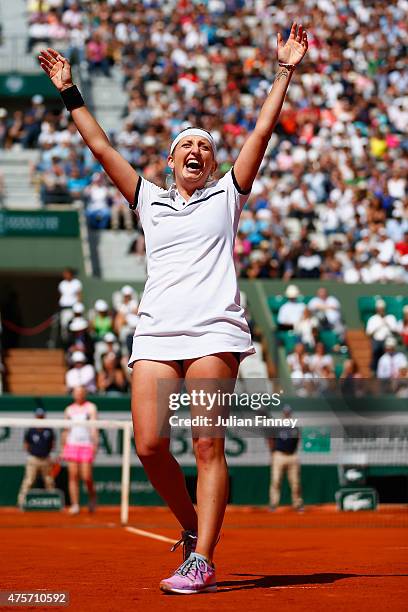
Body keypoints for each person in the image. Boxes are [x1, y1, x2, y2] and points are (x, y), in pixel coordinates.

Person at [39, 23, 308, 594]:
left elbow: (261, 129)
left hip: (215, 331)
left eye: (205, 146)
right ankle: (191, 530)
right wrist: (69, 90)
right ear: (170, 160)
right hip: (158, 333)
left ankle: (203, 559)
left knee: (206, 443)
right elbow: (101, 147)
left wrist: (284, 71)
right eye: (187, 144)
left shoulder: (229, 192)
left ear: (212, 164)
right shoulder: (149, 200)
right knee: (149, 446)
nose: (197, 150)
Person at [61, 386, 98, 515]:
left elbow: (94, 428)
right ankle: (75, 504)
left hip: (86, 445)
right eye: (76, 393)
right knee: (73, 475)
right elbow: (66, 430)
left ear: (85, 393)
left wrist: (95, 445)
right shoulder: (69, 410)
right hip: (71, 445)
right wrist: (63, 447)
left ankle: (92, 498)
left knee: (86, 476)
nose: (79, 395)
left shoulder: (91, 408)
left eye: (81, 392)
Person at [267, 405, 303, 512]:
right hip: (279, 455)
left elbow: (298, 439)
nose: (287, 414)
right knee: (276, 480)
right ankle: (273, 504)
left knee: (295, 482)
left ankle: (298, 504)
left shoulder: (294, 427)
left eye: (288, 412)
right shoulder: (277, 426)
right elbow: (271, 439)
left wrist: (294, 452)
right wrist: (272, 453)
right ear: (283, 413)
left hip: (292, 455)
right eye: (285, 412)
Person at [17, 408, 55, 508]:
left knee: (49, 481)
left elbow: (52, 444)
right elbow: (26, 444)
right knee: (29, 481)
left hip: (46, 459)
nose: (40, 418)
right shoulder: (31, 430)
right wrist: (32, 453)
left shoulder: (49, 430)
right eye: (38, 416)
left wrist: (47, 454)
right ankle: (21, 502)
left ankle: (53, 502)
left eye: (41, 416)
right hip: (33, 459)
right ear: (35, 417)